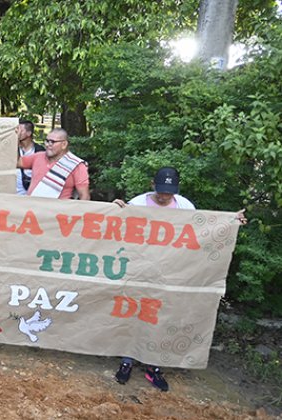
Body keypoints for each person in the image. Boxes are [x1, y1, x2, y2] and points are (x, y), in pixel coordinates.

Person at [112, 167, 248, 391]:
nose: (165, 196)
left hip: (170, 272)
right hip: (139, 270)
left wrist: (231, 221)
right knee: (136, 313)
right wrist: (117, 210)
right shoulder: (137, 203)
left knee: (162, 317)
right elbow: (122, 229)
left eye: (169, 192)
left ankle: (154, 367)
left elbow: (200, 231)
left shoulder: (185, 206)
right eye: (161, 191)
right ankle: (127, 361)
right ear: (152, 185)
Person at [17, 128, 90, 200]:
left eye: (52, 142)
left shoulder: (75, 165)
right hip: (32, 208)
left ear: (64, 144)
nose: (48, 144)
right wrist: (15, 139)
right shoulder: (38, 156)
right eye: (47, 141)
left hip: (57, 211)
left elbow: (84, 196)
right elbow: (16, 162)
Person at [15, 120, 44, 195]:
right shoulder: (13, 149)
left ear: (29, 133)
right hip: (13, 194)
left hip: (31, 194)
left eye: (20, 130)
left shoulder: (39, 151)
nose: (17, 132)